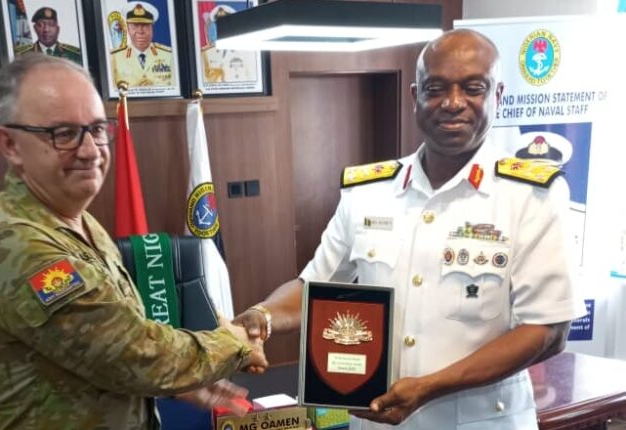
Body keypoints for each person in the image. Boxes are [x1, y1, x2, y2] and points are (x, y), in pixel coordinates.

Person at [234, 29, 581, 429]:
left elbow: (548, 330)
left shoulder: (531, 196)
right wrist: (262, 316)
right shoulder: (368, 192)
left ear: (497, 95)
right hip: (376, 421)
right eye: (436, 88)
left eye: (473, 88)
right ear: (415, 96)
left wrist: (428, 388)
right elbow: (312, 286)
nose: (453, 102)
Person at [0, 54, 266, 429]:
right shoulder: (14, 243)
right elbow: (133, 354)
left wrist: (179, 384)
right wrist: (235, 341)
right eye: (64, 134)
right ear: (9, 144)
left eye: (97, 129)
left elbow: (96, 356)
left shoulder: (78, 220)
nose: (91, 150)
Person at [110, 1, 173, 88]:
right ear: (128, 28)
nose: (140, 31)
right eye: (135, 25)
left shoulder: (169, 56)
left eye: (145, 25)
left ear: (152, 28)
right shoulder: (114, 58)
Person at [15, 7, 83, 64]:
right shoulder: (22, 55)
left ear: (58, 29)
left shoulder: (74, 54)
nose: (46, 30)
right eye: (40, 25)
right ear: (35, 28)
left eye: (51, 24)